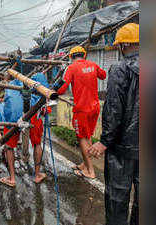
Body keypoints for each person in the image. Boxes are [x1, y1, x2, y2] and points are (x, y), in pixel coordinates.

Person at [88, 23, 139, 225]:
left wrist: (105, 140)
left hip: (121, 147)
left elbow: (114, 109)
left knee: (117, 198)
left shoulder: (120, 68)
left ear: (123, 45)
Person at [57, 45, 106, 179]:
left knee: (82, 138)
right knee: (87, 135)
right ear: (84, 55)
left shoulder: (72, 68)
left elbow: (62, 89)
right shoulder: (93, 64)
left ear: (71, 57)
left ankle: (90, 171)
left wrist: (53, 89)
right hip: (94, 108)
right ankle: (85, 164)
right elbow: (103, 75)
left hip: (82, 110)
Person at [0, 73, 49, 187]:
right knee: (37, 144)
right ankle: (37, 175)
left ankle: (12, 178)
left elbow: (4, 101)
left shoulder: (11, 86)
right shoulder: (34, 83)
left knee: (9, 146)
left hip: (14, 116)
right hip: (34, 112)